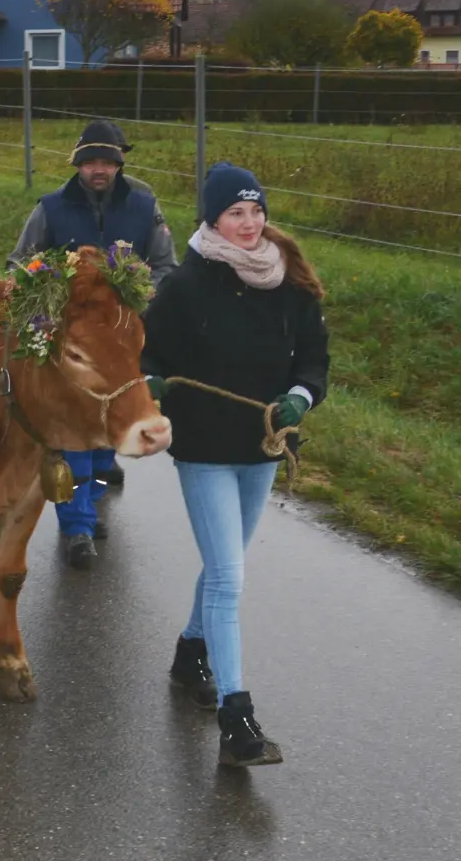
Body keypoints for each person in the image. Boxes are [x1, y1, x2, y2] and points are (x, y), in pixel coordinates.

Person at [140, 162, 329, 768]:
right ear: (212, 219)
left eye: (256, 211)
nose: (250, 223)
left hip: (263, 446)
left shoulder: (290, 280)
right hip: (203, 447)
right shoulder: (186, 285)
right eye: (235, 213)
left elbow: (314, 359)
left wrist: (301, 396)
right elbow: (147, 351)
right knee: (227, 575)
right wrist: (150, 381)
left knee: (227, 564)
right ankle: (236, 718)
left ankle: (189, 652)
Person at [7, 119, 178, 569]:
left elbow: (166, 267)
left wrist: (139, 298)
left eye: (107, 162)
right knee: (74, 440)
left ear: (119, 165)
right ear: (77, 165)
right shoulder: (51, 209)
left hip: (120, 344)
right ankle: (77, 527)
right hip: (73, 349)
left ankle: (94, 496)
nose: (98, 170)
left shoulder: (144, 207)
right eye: (90, 162)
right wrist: (46, 297)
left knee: (105, 449)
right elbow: (19, 264)